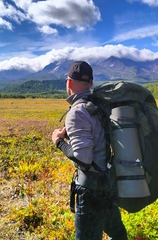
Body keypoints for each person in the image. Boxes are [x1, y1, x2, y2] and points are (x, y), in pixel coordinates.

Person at [51, 61, 128, 240]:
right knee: (118, 234)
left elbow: (83, 158)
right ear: (91, 83)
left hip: (91, 192)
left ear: (69, 83)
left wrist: (58, 141)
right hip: (107, 184)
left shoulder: (77, 112)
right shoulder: (99, 106)